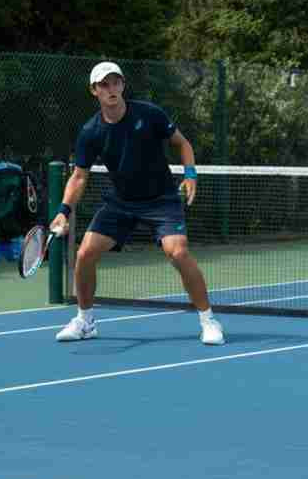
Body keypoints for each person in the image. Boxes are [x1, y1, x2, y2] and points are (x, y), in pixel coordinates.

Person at [51, 62, 225, 345]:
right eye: (104, 85)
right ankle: (85, 321)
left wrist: (190, 174)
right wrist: (63, 211)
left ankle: (209, 320)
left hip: (162, 199)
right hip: (121, 202)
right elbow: (79, 176)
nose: (111, 89)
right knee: (84, 255)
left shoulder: (149, 114)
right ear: (94, 91)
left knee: (178, 253)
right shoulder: (91, 132)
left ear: (123, 85)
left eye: (116, 82)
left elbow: (183, 143)